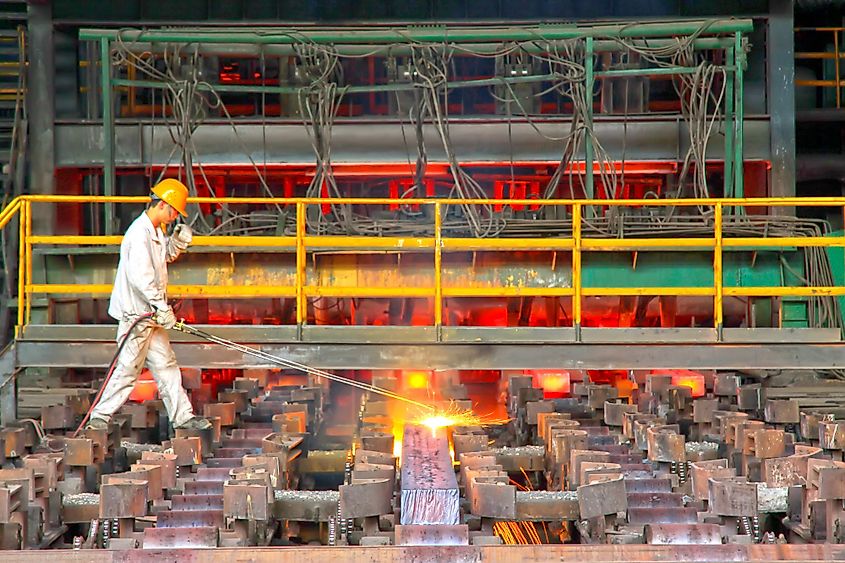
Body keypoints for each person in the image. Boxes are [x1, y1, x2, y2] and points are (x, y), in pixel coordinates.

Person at [86, 179, 211, 431]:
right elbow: (141, 278)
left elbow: (162, 256)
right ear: (163, 204)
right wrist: (161, 307)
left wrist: (176, 243)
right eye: (174, 211)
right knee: (128, 370)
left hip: (150, 317)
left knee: (166, 365)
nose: (175, 216)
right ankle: (99, 416)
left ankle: (183, 417)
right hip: (137, 316)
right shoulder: (138, 234)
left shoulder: (155, 231)